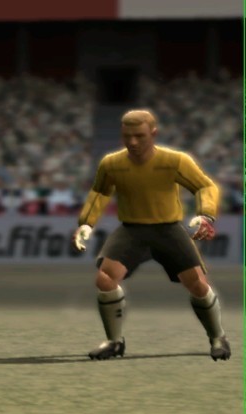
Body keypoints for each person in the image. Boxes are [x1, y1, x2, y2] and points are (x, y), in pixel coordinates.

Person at [71, 109, 230, 361]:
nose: (133, 142)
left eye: (139, 136)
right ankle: (114, 341)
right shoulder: (112, 164)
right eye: (127, 136)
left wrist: (206, 215)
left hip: (168, 230)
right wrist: (86, 224)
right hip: (132, 231)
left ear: (153, 134)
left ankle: (218, 337)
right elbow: (100, 193)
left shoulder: (174, 161)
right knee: (104, 279)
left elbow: (205, 186)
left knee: (197, 284)